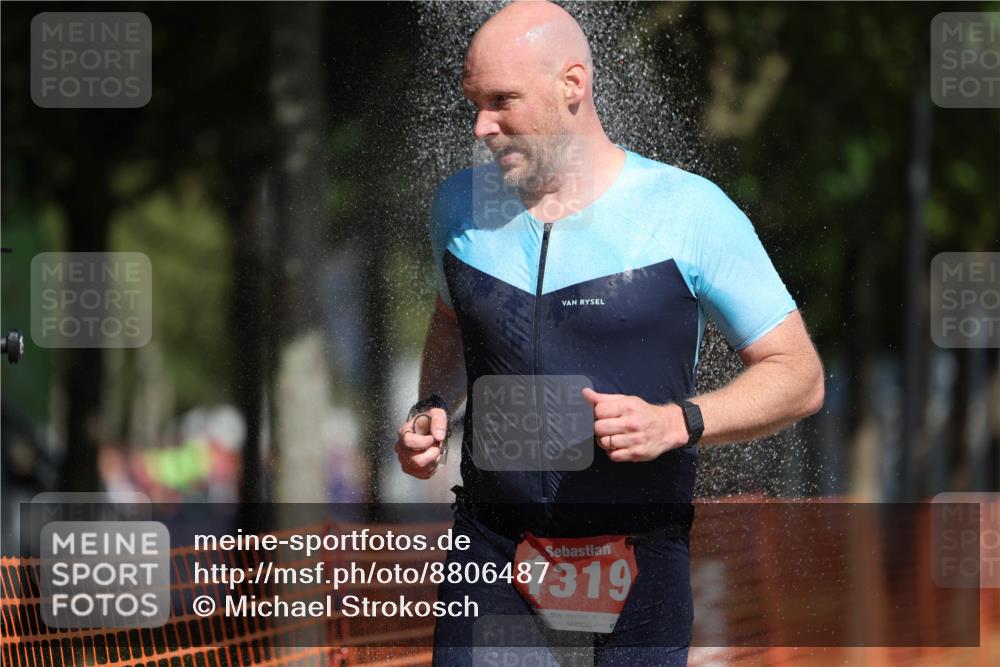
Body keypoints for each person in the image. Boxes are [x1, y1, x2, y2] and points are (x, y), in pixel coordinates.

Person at [394, 2, 825, 665]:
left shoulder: (690, 212)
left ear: (573, 85)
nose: (482, 126)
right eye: (474, 103)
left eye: (502, 101)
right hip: (494, 552)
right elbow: (454, 319)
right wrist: (431, 406)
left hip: (639, 556)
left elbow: (797, 373)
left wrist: (681, 420)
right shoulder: (459, 207)